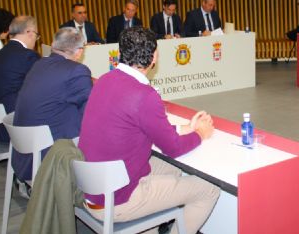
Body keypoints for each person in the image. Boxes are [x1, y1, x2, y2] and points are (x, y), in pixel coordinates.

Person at [79, 27, 219, 234]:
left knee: (172, 170)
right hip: (117, 199)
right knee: (208, 190)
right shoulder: (144, 94)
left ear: (121, 53)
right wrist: (200, 134)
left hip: (93, 188)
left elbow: (141, 126)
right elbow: (173, 149)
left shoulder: (104, 81)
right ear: (154, 57)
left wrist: (186, 127)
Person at [12, 27, 93, 182]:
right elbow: (89, 114)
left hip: (25, 153)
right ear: (79, 51)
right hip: (50, 158)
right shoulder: (77, 71)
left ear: (53, 45)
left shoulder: (39, 64)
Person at [0, 16, 41, 142]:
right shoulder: (27, 55)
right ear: (29, 32)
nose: (36, 39)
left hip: (0, 124)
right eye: (36, 35)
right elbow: (44, 86)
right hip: (19, 128)